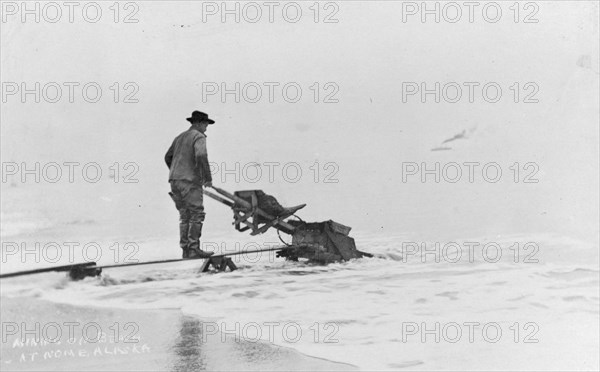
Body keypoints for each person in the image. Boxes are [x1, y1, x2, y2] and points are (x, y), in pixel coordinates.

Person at [165, 110, 216, 259]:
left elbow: (167, 157)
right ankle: (193, 249)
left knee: (184, 215)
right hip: (190, 181)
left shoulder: (179, 137)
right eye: (206, 125)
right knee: (196, 213)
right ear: (199, 123)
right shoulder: (198, 136)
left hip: (174, 180)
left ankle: (186, 251)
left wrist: (178, 171)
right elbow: (201, 155)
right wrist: (207, 178)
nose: (206, 128)